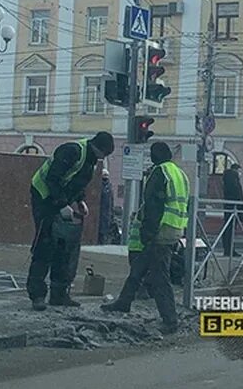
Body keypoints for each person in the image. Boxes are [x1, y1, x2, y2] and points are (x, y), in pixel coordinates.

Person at [102, 142, 190, 333]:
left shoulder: (159, 173)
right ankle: (124, 301)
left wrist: (147, 233)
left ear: (154, 156)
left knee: (160, 277)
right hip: (175, 229)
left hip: (160, 230)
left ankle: (170, 320)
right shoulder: (179, 173)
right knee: (139, 267)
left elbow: (153, 206)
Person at [26, 131, 115, 311]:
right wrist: (60, 204)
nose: (102, 159)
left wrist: (79, 201)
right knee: (45, 245)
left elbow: (77, 182)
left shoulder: (90, 160)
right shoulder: (72, 151)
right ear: (97, 148)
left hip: (62, 199)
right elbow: (53, 179)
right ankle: (37, 295)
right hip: (43, 197)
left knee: (65, 247)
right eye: (103, 155)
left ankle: (59, 294)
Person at [221, 163, 243, 256]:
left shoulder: (229, 178)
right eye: (239, 171)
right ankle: (229, 250)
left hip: (230, 207)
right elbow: (237, 194)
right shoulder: (233, 179)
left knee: (229, 229)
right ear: (236, 170)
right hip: (233, 207)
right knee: (230, 229)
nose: (240, 173)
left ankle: (228, 250)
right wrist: (240, 210)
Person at [97, 169, 113, 245]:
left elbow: (111, 202)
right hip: (99, 213)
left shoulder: (109, 187)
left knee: (103, 232)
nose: (105, 177)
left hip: (106, 214)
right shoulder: (98, 185)